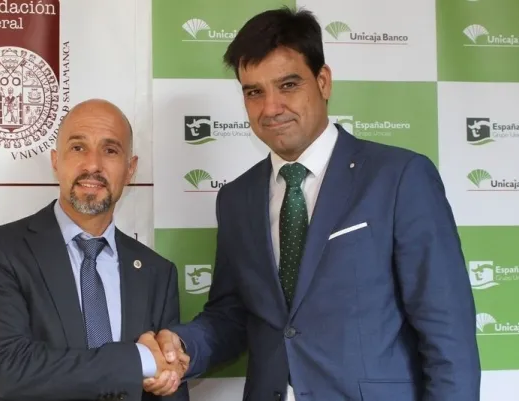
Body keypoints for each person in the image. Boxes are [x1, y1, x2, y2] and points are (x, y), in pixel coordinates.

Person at [143, 7, 481, 401]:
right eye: (254, 92)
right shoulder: (237, 198)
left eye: (288, 85)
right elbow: (232, 315)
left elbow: (448, 333)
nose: (271, 108)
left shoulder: (399, 177)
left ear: (323, 81)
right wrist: (183, 347)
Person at [0, 99, 190, 401]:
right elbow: (11, 369)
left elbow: (170, 385)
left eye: (110, 150)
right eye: (78, 147)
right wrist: (139, 360)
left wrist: (164, 371)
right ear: (56, 161)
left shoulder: (157, 271)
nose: (93, 165)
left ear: (130, 169)